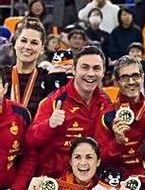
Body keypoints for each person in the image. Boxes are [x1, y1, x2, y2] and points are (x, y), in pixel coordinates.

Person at [27, 46, 111, 179]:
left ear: (103, 72)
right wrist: (49, 124)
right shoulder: (53, 102)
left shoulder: (106, 102)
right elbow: (30, 140)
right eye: (85, 67)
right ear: (73, 69)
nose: (91, 73)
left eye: (96, 68)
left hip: (91, 181)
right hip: (56, 182)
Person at [95, 56, 145, 174]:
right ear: (116, 82)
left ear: (142, 77)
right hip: (118, 183)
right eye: (125, 77)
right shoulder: (107, 116)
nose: (131, 82)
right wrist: (117, 143)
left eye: (135, 76)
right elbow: (100, 161)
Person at [8, 19, 51, 116]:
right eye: (23, 41)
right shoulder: (2, 76)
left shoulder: (48, 78)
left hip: (37, 131)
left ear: (42, 49)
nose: (27, 47)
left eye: (34, 43)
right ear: (15, 43)